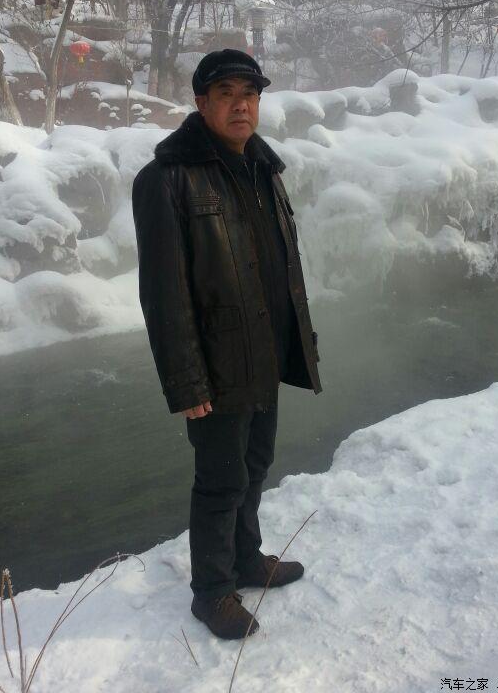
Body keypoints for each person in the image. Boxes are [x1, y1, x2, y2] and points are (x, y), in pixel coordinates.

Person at [131, 49, 322, 640]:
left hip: (263, 350)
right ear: (201, 103)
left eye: (250, 94)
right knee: (220, 480)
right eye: (226, 94)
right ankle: (212, 592)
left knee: (255, 463)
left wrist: (296, 344)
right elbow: (163, 293)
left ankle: (245, 559)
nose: (241, 105)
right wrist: (186, 382)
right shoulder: (167, 179)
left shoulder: (264, 168)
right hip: (215, 363)